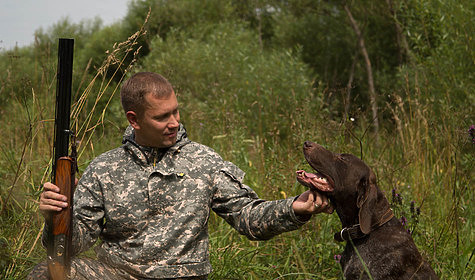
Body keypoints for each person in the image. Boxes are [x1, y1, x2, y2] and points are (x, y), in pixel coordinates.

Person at [29, 72, 332, 280]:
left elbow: (247, 217)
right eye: (162, 117)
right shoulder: (104, 169)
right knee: (46, 272)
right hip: (117, 274)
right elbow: (71, 247)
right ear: (134, 120)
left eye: (175, 112)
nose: (174, 123)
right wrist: (56, 215)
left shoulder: (204, 160)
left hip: (183, 276)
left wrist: (295, 208)